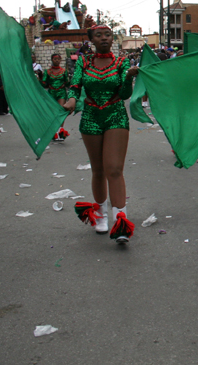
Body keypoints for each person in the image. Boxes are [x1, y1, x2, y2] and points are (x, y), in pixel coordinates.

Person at [64, 25, 139, 244]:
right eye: (99, 35)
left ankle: (120, 221)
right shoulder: (84, 62)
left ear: (112, 38)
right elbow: (75, 86)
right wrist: (71, 100)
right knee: (98, 171)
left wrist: (128, 78)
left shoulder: (122, 62)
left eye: (107, 35)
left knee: (114, 169)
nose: (104, 38)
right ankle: (101, 216)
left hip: (115, 115)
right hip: (90, 117)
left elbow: (125, 94)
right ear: (92, 40)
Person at [42, 53, 70, 141]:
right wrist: (38, 78)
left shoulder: (64, 71)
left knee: (61, 111)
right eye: (55, 59)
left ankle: (60, 131)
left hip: (61, 92)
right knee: (53, 113)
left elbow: (67, 82)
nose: (56, 60)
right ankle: (53, 131)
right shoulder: (48, 71)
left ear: (60, 60)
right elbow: (44, 83)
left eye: (58, 59)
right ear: (52, 60)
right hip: (51, 93)